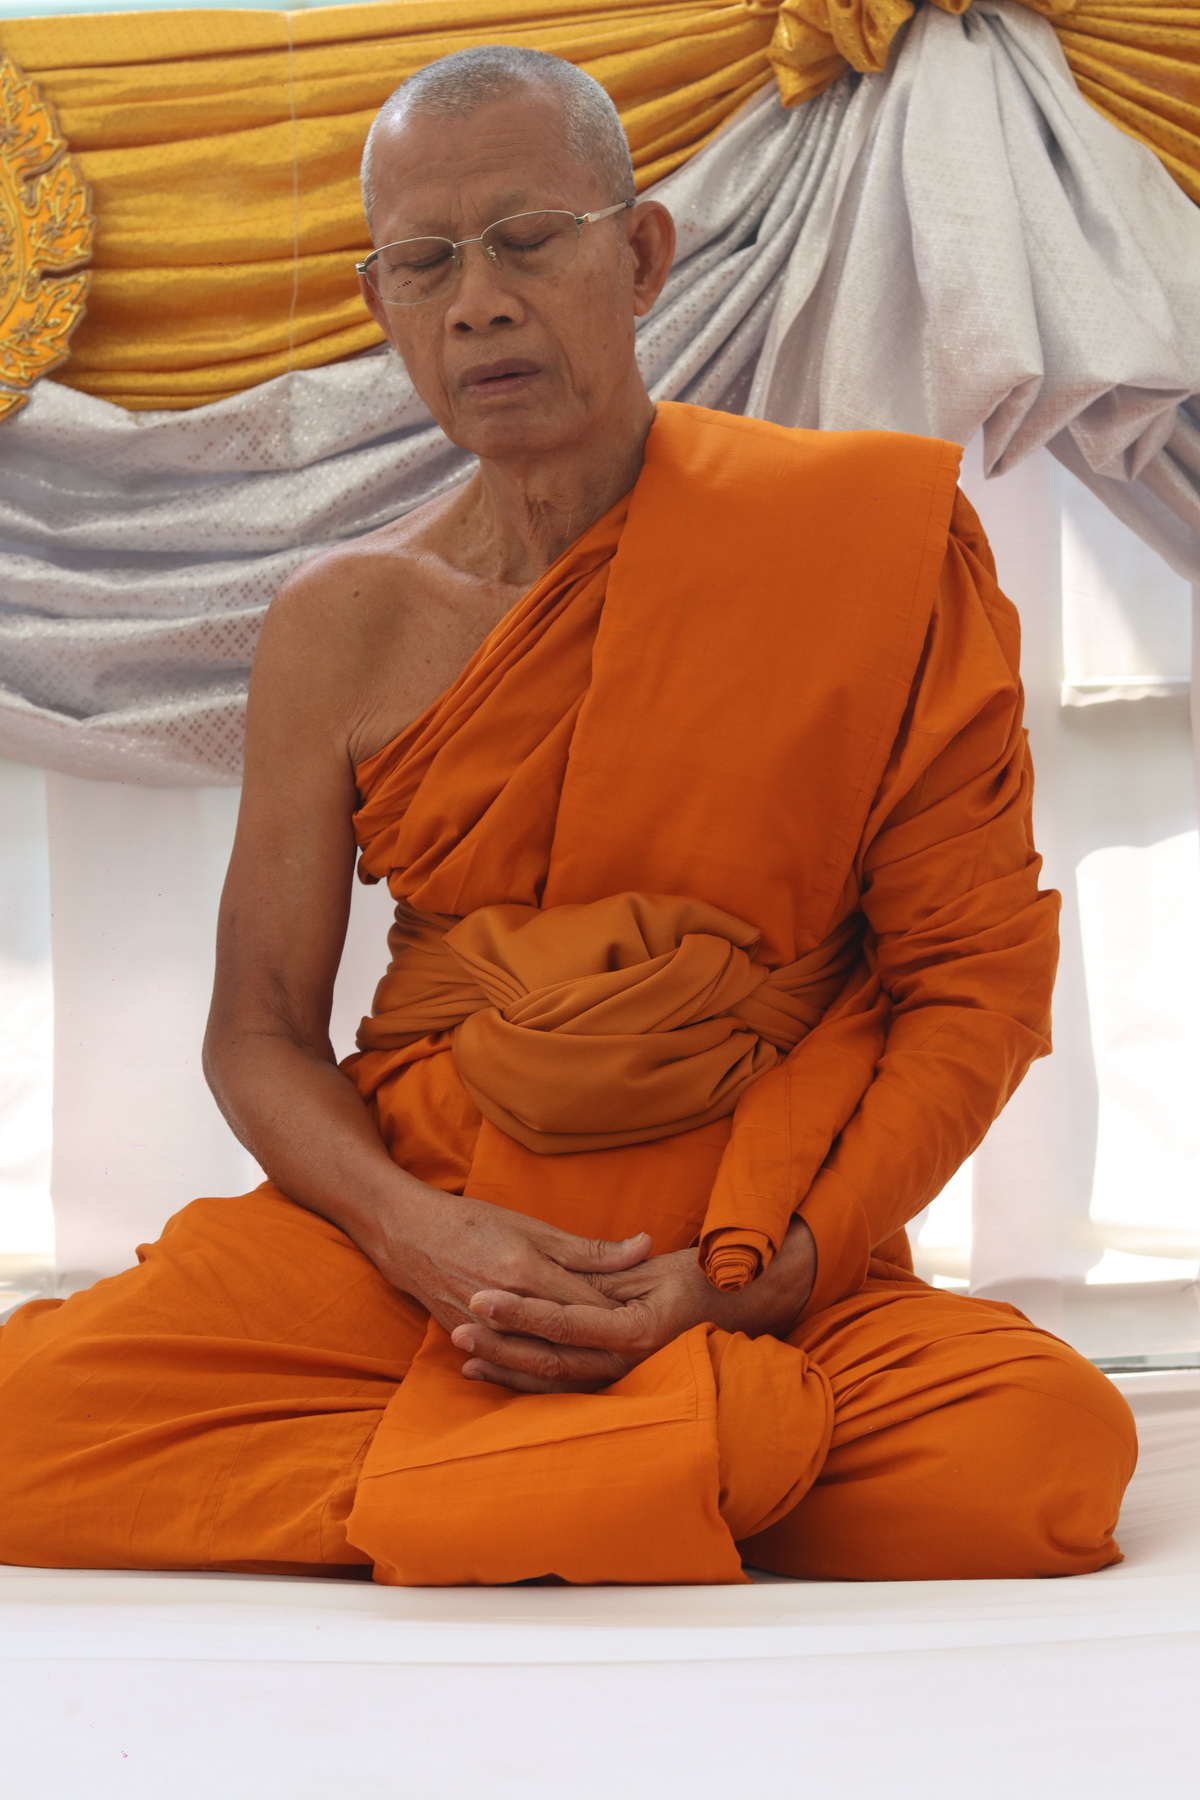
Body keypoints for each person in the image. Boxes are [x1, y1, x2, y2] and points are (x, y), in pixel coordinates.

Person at [0, 46, 1135, 1586]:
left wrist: (755, 1282)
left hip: (743, 1247)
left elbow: (973, 988)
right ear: (383, 304)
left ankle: (518, 1466)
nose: (478, 302)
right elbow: (257, 1033)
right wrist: (410, 1232)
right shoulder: (343, 624)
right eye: (425, 263)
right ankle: (663, 1460)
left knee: (1041, 1456)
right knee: (25, 1424)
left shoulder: (867, 546)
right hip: (432, 1246)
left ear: (641, 255)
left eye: (527, 240)